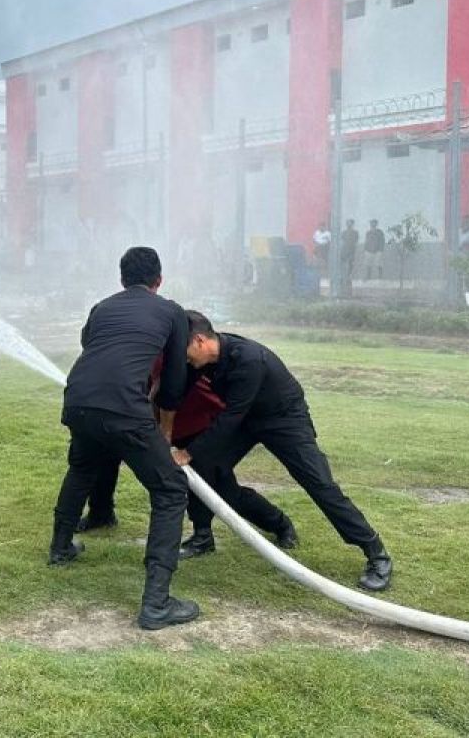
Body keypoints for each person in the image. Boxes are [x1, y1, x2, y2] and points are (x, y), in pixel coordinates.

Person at [172, 311, 393, 591]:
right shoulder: (204, 362)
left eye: (185, 351)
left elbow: (230, 417)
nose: (185, 359)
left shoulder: (248, 359)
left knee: (320, 484)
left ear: (200, 341)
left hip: (284, 418)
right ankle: (205, 536)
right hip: (248, 419)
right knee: (206, 468)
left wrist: (188, 451)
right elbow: (176, 390)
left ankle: (376, 553)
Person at [49, 246, 199, 630]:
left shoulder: (102, 307)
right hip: (124, 409)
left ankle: (61, 548)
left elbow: (92, 347)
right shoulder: (171, 311)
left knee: (82, 469)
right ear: (159, 280)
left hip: (78, 400)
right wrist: (165, 428)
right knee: (169, 491)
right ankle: (156, 605)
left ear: (121, 279)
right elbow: (176, 379)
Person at [77, 356, 299, 559]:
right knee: (105, 456)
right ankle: (101, 513)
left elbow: (163, 392)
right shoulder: (132, 354)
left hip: (201, 429)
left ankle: (278, 525)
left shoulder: (171, 355)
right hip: (167, 429)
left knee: (219, 489)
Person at [340, 219, 359, 289]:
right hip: (344, 249)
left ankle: (349, 275)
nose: (348, 224)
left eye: (350, 223)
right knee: (342, 263)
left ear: (352, 224)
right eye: (347, 223)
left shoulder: (355, 232)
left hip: (351, 250)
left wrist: (354, 249)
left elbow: (356, 241)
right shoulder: (344, 232)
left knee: (351, 263)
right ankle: (342, 276)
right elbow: (342, 240)